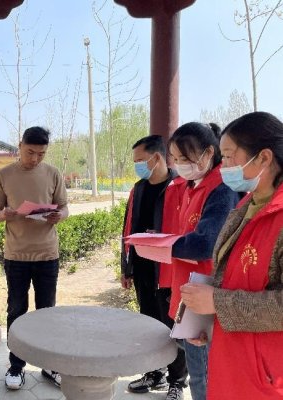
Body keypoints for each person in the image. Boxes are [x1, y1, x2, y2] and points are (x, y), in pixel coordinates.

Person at [180, 112, 283, 399]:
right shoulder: (247, 204)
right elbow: (232, 276)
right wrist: (207, 320)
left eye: (228, 156)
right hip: (232, 357)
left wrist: (217, 302)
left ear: (264, 157)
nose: (223, 166)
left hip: (268, 373)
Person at [0, 126, 69, 390]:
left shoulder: (53, 173)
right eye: (30, 152)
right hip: (16, 255)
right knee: (16, 310)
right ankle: (16, 365)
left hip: (47, 253)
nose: (35, 159)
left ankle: (49, 364)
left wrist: (59, 215)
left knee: (47, 311)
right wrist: (5, 214)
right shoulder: (3, 175)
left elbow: (64, 207)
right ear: (20, 145)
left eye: (41, 154)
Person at [167, 122, 240, 400]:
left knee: (206, 376)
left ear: (209, 153)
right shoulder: (193, 185)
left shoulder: (222, 188)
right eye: (175, 158)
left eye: (185, 158)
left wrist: (163, 245)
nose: (179, 165)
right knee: (198, 373)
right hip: (190, 289)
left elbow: (205, 243)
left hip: (207, 290)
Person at [121, 135, 189, 399]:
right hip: (143, 268)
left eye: (140, 160)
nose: (137, 166)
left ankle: (177, 381)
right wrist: (126, 268)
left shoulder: (180, 187)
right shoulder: (138, 189)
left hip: (169, 271)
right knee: (148, 324)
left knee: (172, 326)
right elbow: (127, 227)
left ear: (156, 157)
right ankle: (154, 373)